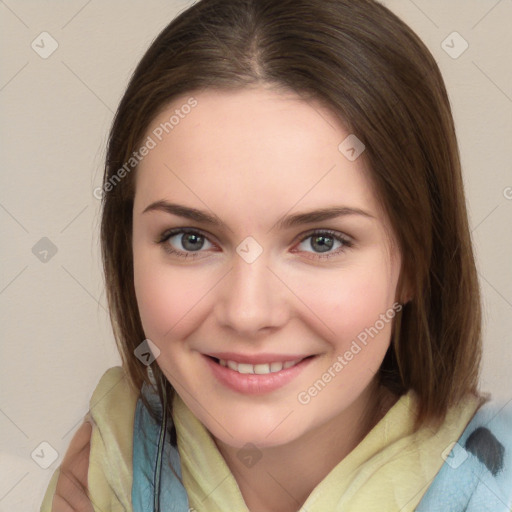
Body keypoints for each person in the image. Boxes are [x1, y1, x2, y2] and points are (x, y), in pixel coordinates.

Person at [41, 0, 512, 511]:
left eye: (321, 241)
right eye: (191, 239)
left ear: (417, 261)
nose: (248, 312)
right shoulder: (106, 467)